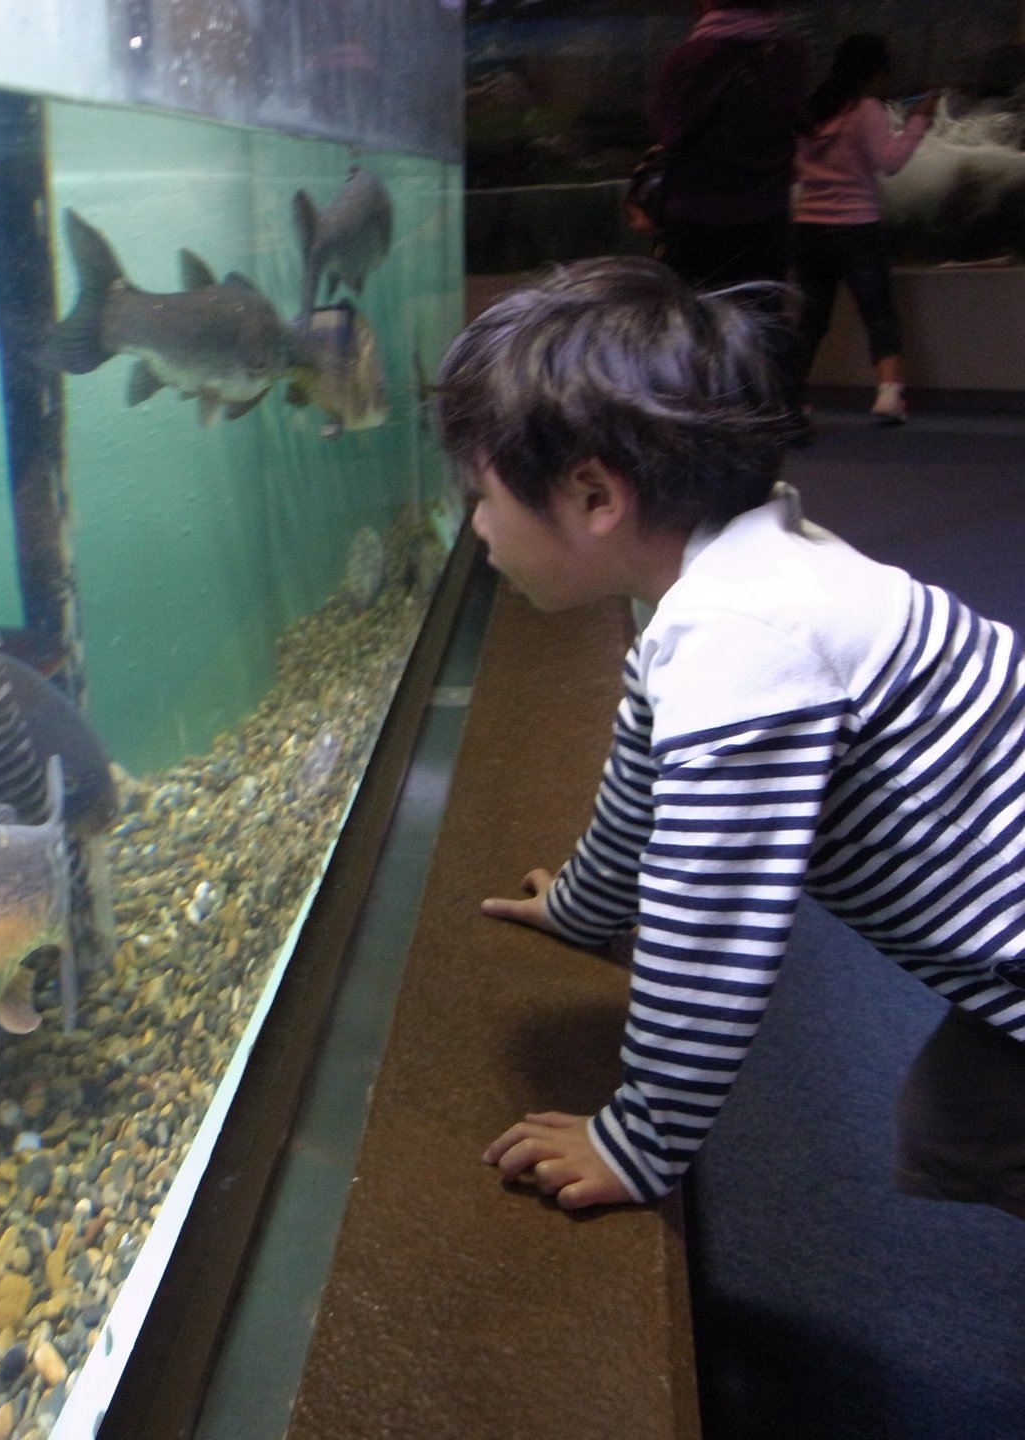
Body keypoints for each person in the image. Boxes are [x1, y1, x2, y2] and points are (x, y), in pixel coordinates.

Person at [435, 256, 1025, 1217]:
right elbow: (643, 777)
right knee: (958, 1121)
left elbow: (709, 921)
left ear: (593, 495)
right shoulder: (739, 581)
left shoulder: (746, 645)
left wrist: (639, 1135)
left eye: (484, 494)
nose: (478, 525)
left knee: (962, 1128)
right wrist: (586, 908)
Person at [794, 34, 937, 427]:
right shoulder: (867, 109)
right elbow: (888, 162)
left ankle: (790, 396)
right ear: (874, 74)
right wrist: (918, 122)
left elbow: (795, 167)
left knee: (812, 318)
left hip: (808, 226)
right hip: (856, 226)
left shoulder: (813, 110)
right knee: (878, 314)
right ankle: (889, 395)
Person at [650, 2, 811, 293]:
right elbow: (797, 118)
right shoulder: (791, 52)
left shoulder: (686, 58)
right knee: (762, 314)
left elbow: (668, 133)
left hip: (694, 217)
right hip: (766, 215)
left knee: (694, 317)